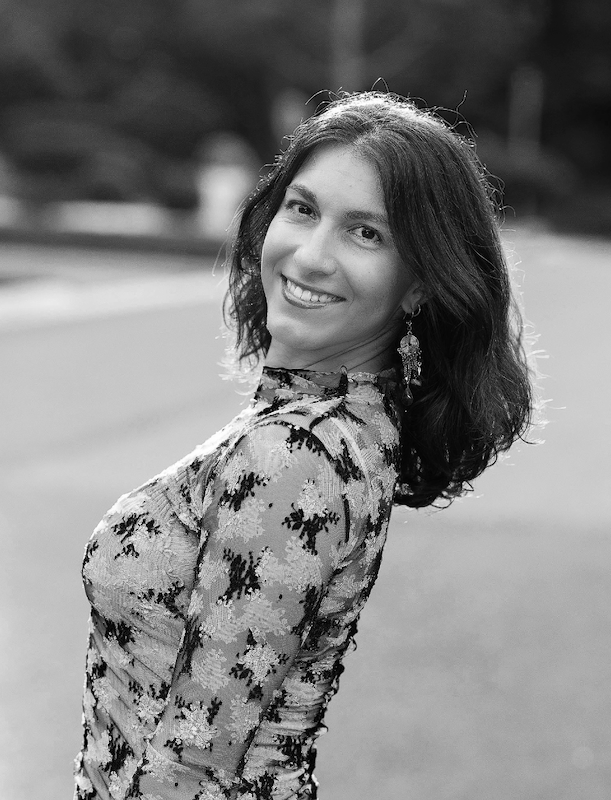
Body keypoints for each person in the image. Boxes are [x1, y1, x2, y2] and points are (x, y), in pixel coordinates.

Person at [74, 91, 534, 800]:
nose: (311, 256)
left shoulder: (293, 454)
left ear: (419, 285)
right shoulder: (348, 422)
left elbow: (192, 766)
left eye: (366, 233)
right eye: (302, 209)